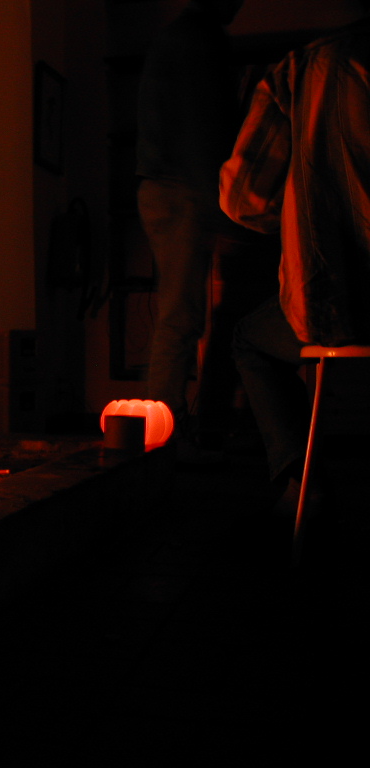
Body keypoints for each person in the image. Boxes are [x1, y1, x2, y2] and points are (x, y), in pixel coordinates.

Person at [221, 4, 370, 504]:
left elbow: (245, 198)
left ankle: (299, 487)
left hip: (345, 309)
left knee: (250, 338)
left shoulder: (303, 70)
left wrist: (300, 210)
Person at [136, 0, 252, 460]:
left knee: (182, 312)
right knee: (182, 314)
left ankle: (171, 428)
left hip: (170, 184)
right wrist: (224, 207)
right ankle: (164, 432)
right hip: (181, 187)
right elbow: (199, 129)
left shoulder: (183, 36)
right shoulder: (199, 40)